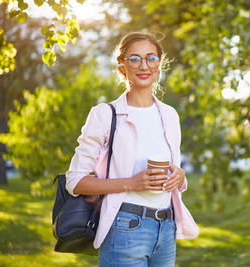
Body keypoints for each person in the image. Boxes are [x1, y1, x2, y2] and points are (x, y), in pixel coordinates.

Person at [65, 32, 199, 266]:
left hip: (166, 228)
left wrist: (180, 176)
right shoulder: (105, 114)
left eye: (151, 58)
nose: (144, 65)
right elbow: (75, 181)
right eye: (134, 59)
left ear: (159, 63)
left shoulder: (169, 115)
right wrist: (131, 183)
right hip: (125, 227)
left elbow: (173, 170)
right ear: (122, 66)